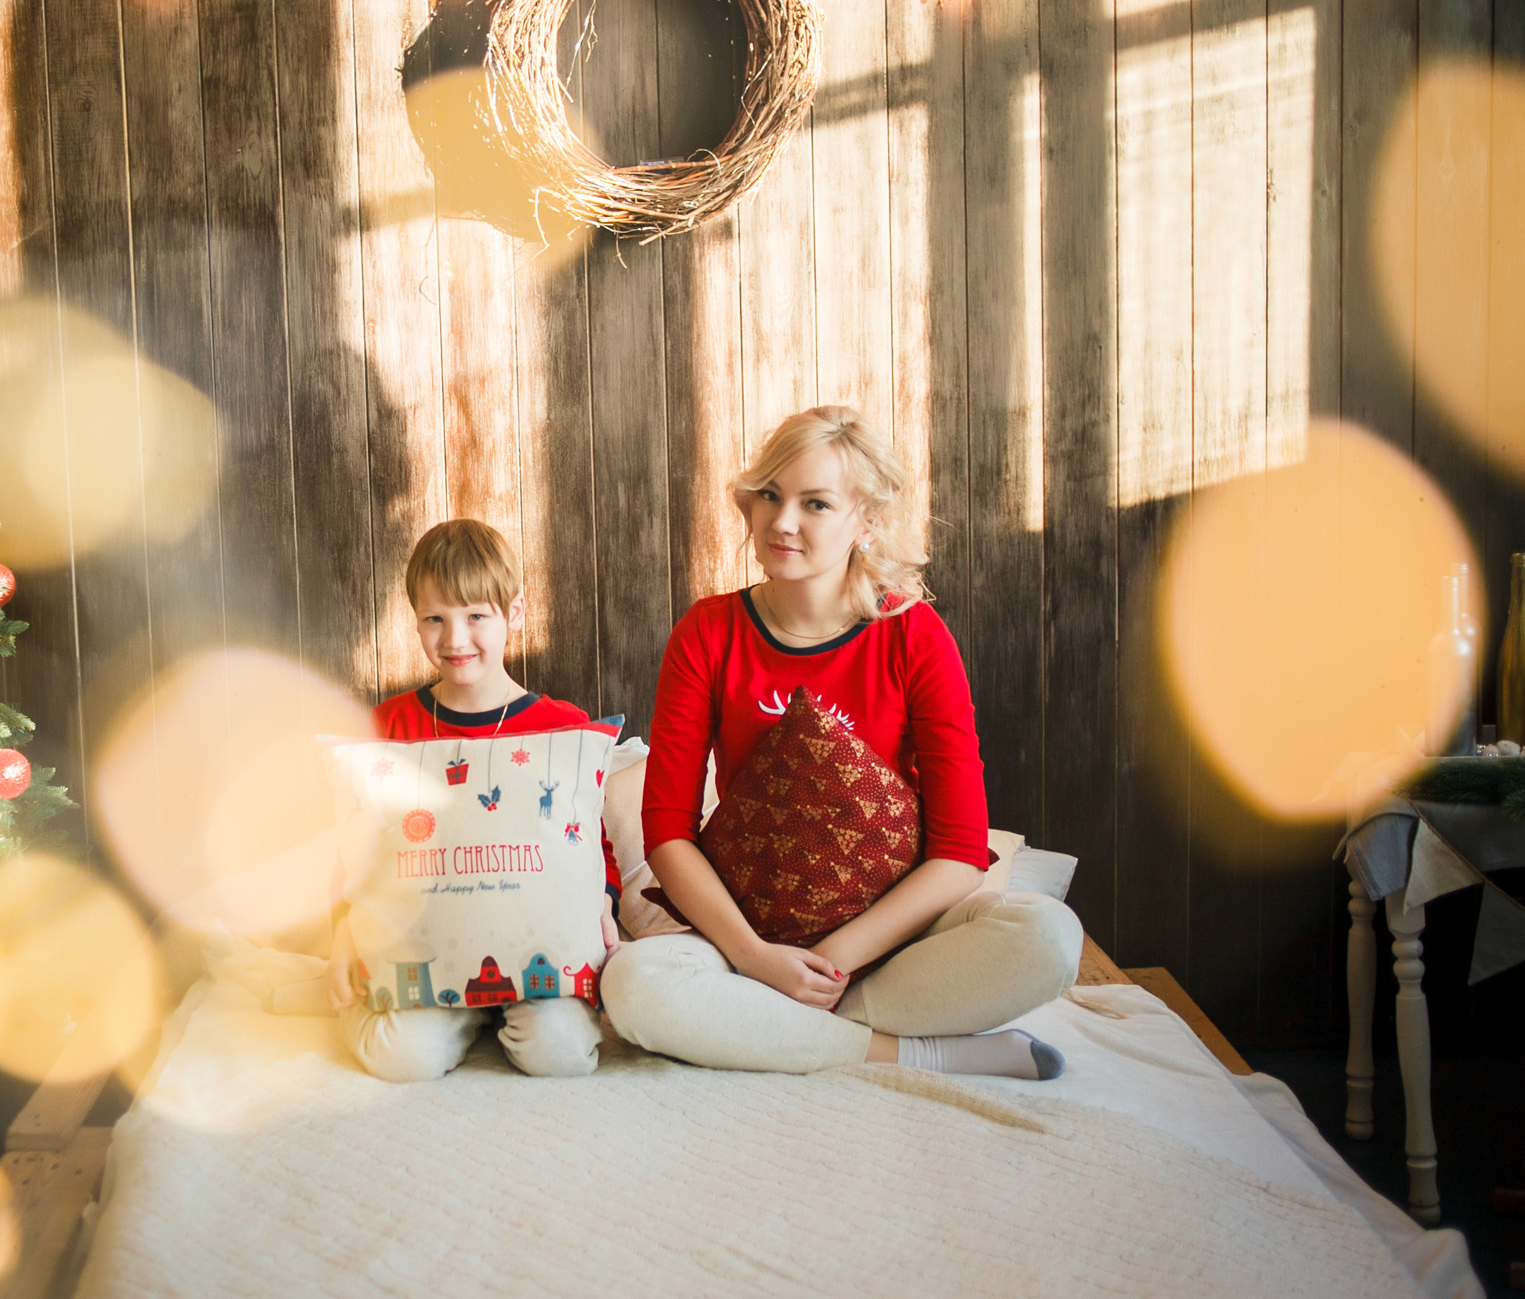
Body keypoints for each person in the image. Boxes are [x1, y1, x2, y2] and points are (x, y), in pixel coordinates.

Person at [601, 406, 1082, 1079]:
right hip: (746, 935)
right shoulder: (707, 632)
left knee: (1051, 936)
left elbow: (962, 850)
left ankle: (782, 1023)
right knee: (631, 987)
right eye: (769, 494)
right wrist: (755, 958)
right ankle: (911, 1051)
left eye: (815, 503)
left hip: (892, 939)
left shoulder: (915, 635)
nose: (782, 520)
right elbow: (668, 834)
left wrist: (835, 959)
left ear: (868, 522)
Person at [327, 519, 620, 1081]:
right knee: (403, 1059)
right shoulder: (390, 725)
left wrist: (604, 902)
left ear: (516, 612)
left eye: (476, 616)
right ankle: (441, 1017)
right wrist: (342, 927)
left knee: (560, 1055)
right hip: (423, 949)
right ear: (415, 622)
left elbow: (589, 842)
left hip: (538, 948)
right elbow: (357, 842)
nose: (455, 640)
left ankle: (500, 1013)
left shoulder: (562, 728)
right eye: (435, 619)